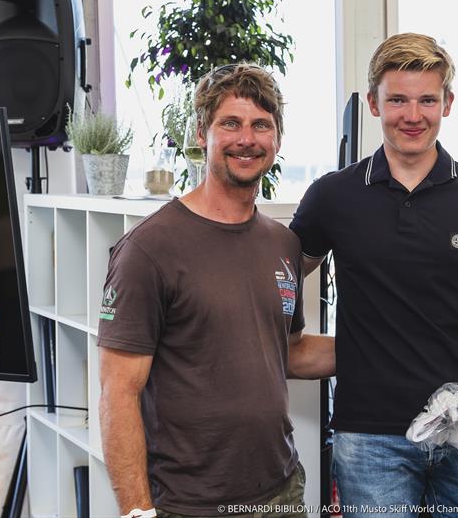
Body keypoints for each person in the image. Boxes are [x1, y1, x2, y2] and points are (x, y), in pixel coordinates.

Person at [290, 33, 458, 517]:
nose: (412, 115)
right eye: (397, 99)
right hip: (369, 435)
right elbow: (277, 278)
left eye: (427, 100)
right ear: (374, 103)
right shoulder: (333, 196)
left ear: (448, 103)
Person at [97, 63, 335, 518]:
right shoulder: (149, 249)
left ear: (277, 141)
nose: (247, 139)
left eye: (261, 125)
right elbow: (118, 392)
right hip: (188, 504)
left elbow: (287, 351)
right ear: (203, 134)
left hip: (281, 493)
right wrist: (137, 513)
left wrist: (382, 347)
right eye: (231, 123)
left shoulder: (283, 244)